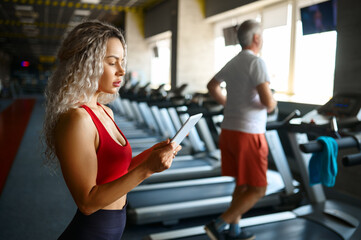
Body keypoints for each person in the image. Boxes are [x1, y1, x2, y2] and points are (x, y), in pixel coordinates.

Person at [42, 20, 181, 240]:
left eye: (122, 62)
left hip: (114, 228)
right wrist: (147, 170)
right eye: (112, 62)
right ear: (86, 64)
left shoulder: (106, 111)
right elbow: (87, 203)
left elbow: (117, 172)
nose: (122, 70)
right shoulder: (77, 119)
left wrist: (150, 156)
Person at [204, 19, 277, 240]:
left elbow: (211, 85)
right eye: (261, 35)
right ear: (256, 38)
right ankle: (218, 224)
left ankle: (234, 230)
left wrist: (229, 104)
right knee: (258, 189)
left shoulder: (234, 61)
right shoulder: (257, 62)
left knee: (242, 184)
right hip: (249, 133)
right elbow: (267, 102)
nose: (262, 39)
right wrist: (273, 103)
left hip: (229, 132)